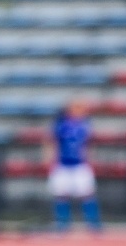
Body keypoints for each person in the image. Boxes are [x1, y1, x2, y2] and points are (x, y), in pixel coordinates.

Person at [43, 98, 101, 233]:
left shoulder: (85, 124)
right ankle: (63, 223)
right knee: (61, 194)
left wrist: (90, 159)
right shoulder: (61, 124)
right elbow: (51, 141)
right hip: (62, 163)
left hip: (80, 164)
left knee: (88, 193)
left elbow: (88, 144)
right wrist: (49, 159)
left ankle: (93, 223)